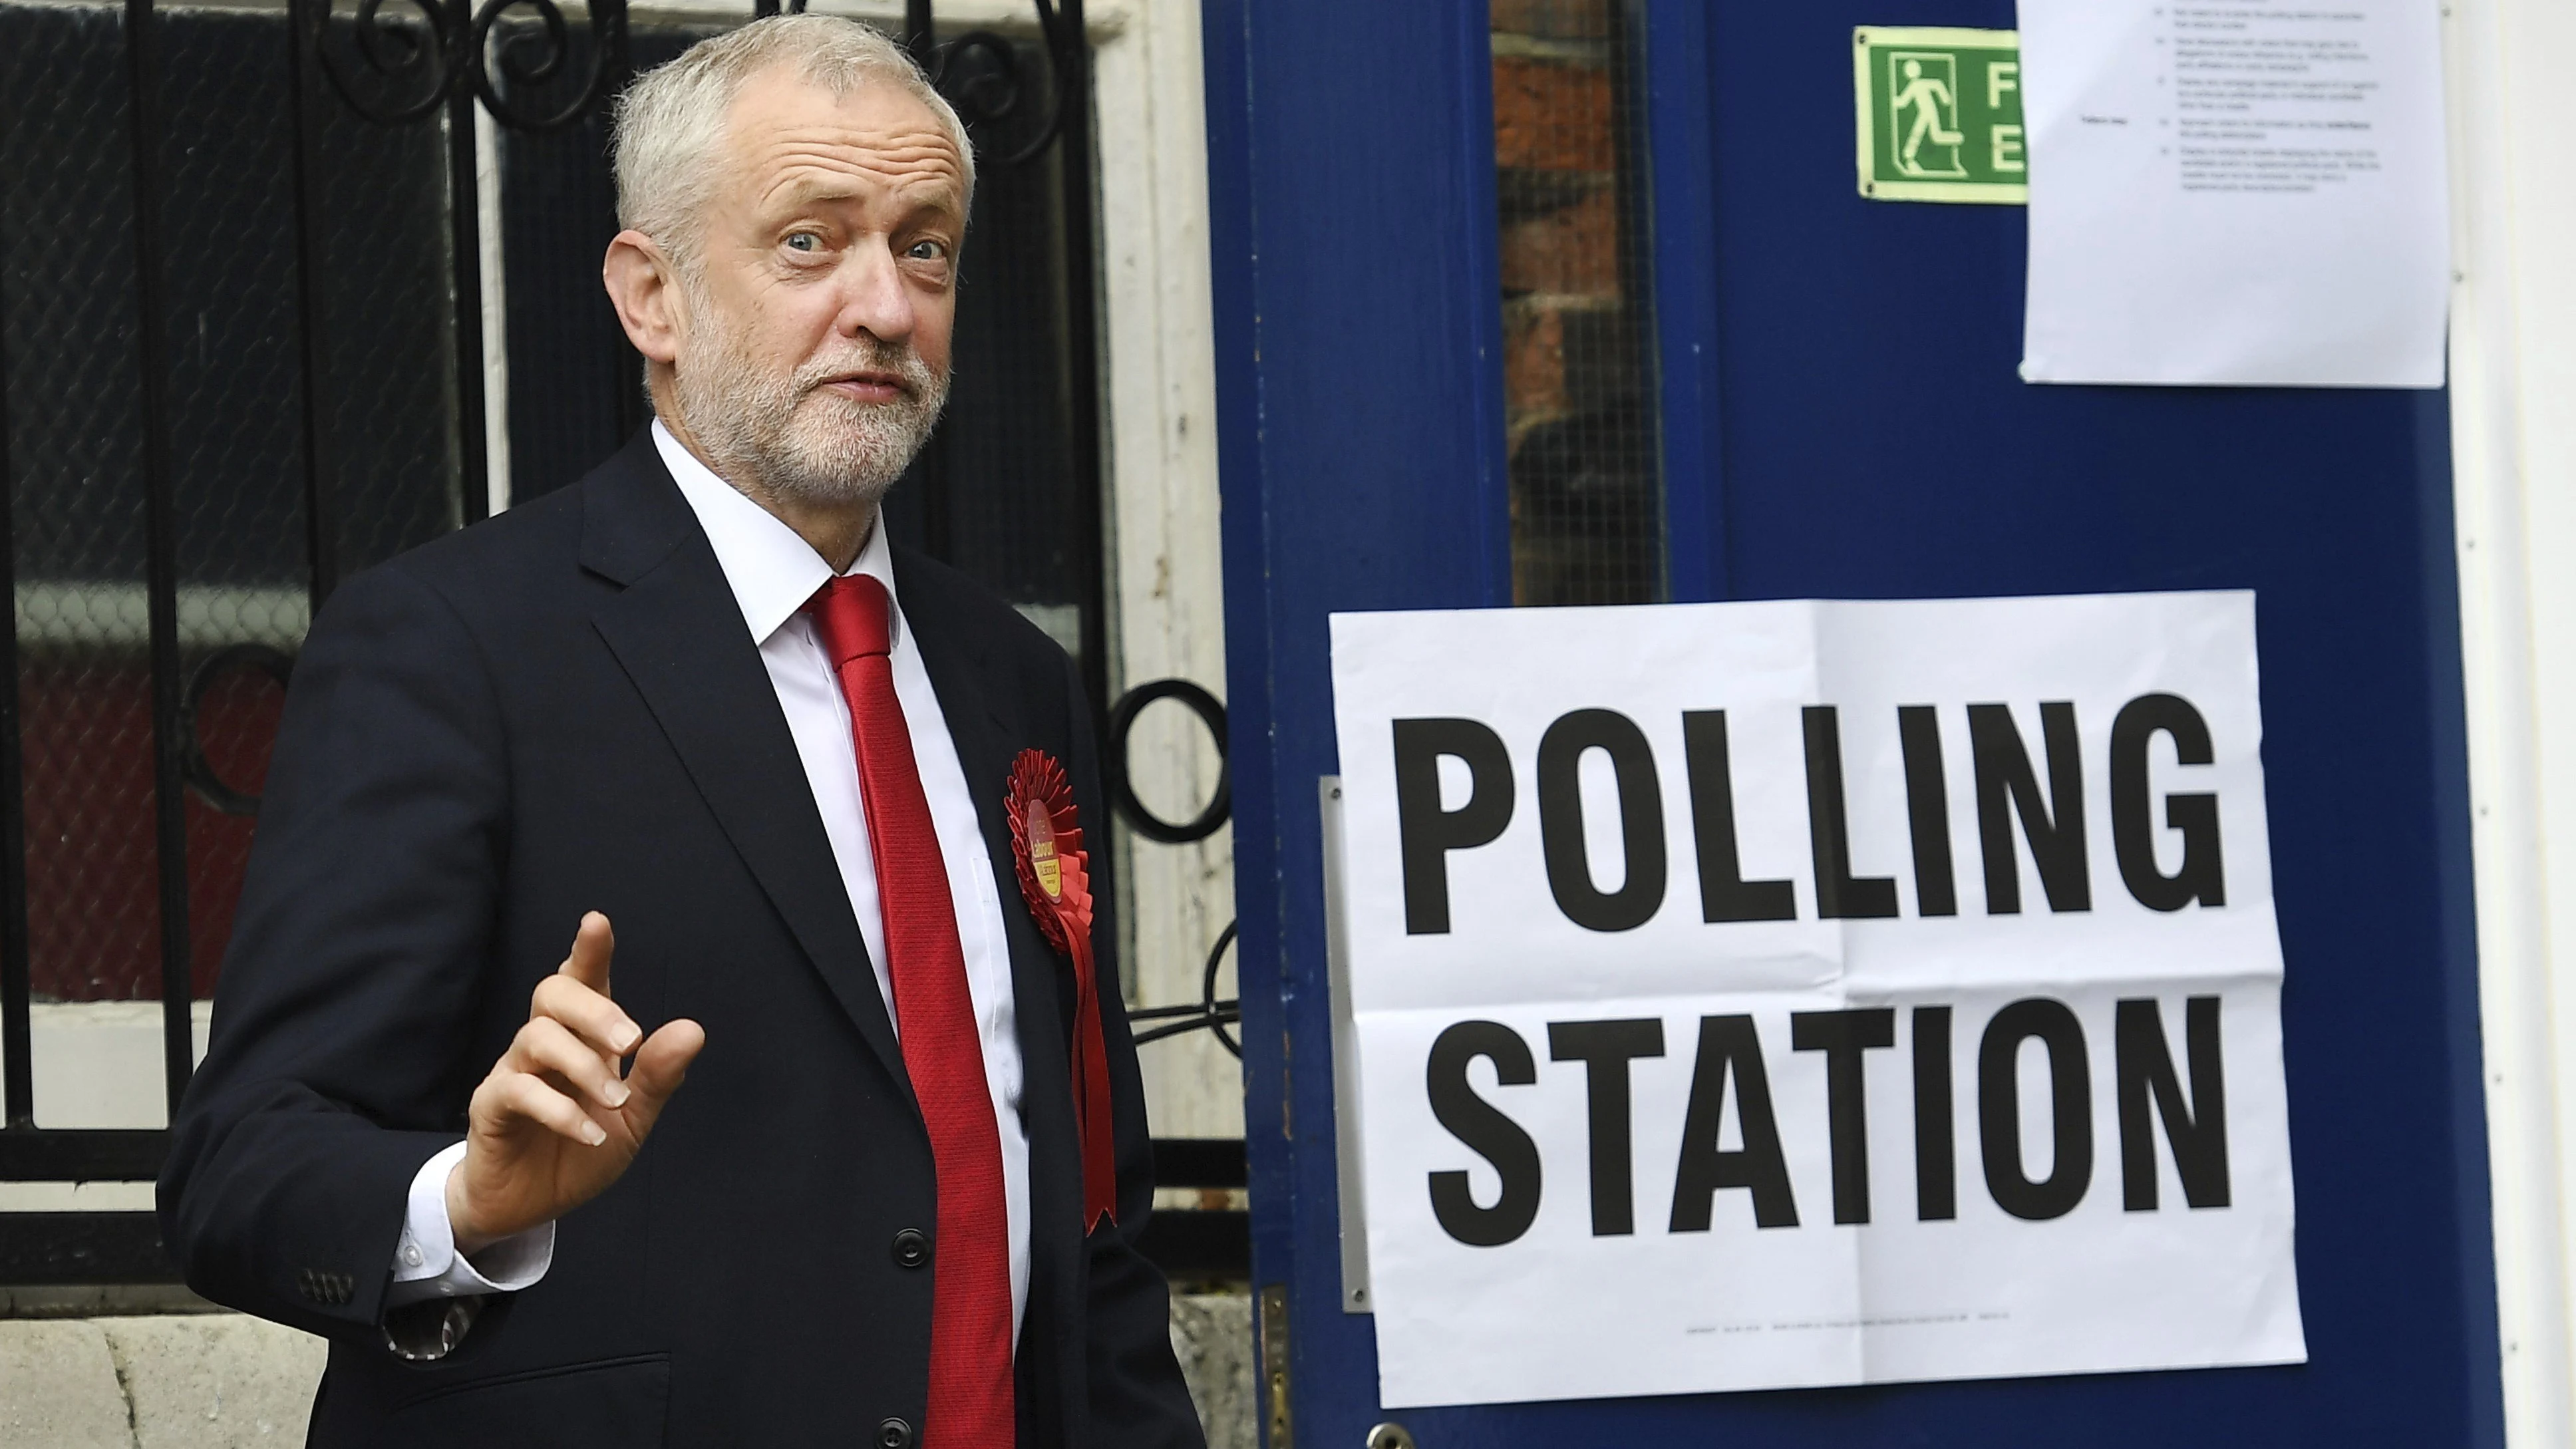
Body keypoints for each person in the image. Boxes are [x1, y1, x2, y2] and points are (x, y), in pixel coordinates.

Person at [156, 16, 1205, 1448]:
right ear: (651, 295)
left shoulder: (1010, 677)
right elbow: (240, 1169)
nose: (885, 307)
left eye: (924, 247)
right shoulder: (455, 647)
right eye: (807, 243)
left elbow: (1082, 1209)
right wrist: (462, 1205)